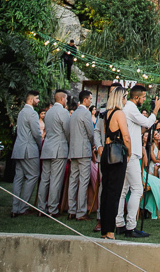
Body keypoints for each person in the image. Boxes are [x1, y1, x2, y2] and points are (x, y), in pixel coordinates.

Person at [115, 84, 160, 238]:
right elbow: (147, 123)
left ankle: (119, 223)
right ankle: (130, 226)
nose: (144, 100)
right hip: (132, 153)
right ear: (136, 97)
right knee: (137, 189)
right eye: (143, 97)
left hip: (128, 153)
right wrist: (156, 110)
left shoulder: (126, 108)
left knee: (123, 190)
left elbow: (139, 129)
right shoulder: (131, 108)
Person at [100, 87, 131, 240]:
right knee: (114, 193)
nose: (126, 100)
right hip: (117, 154)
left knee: (106, 191)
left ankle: (105, 229)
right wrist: (129, 152)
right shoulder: (119, 113)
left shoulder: (107, 114)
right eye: (126, 97)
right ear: (121, 97)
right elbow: (126, 136)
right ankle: (110, 230)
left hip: (106, 151)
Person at [38, 90, 70, 217]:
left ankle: (41, 207)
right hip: (58, 149)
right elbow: (67, 130)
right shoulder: (63, 112)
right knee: (56, 179)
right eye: (66, 99)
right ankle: (52, 208)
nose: (66, 101)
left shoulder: (49, 111)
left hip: (47, 148)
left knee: (44, 179)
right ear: (62, 99)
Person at [11, 89, 42, 217]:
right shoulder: (32, 113)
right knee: (33, 175)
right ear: (31, 99)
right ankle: (23, 207)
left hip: (18, 148)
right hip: (29, 149)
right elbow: (36, 133)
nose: (38, 101)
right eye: (37, 98)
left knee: (18, 178)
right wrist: (40, 146)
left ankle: (15, 208)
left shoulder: (22, 112)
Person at [68, 89, 95, 221]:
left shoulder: (73, 114)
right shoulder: (85, 113)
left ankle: (71, 210)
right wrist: (93, 144)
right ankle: (81, 212)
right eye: (90, 98)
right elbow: (90, 132)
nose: (91, 101)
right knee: (83, 181)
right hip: (84, 150)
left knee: (73, 180)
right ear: (85, 100)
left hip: (73, 150)